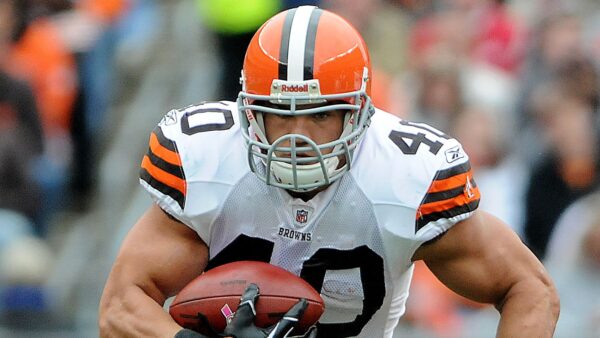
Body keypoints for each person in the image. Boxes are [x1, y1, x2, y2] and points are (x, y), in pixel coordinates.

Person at [99, 6, 559, 338]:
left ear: (358, 114)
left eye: (320, 115)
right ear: (250, 113)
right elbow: (122, 306)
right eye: (280, 113)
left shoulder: (406, 175)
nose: (297, 137)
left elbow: (529, 290)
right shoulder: (209, 158)